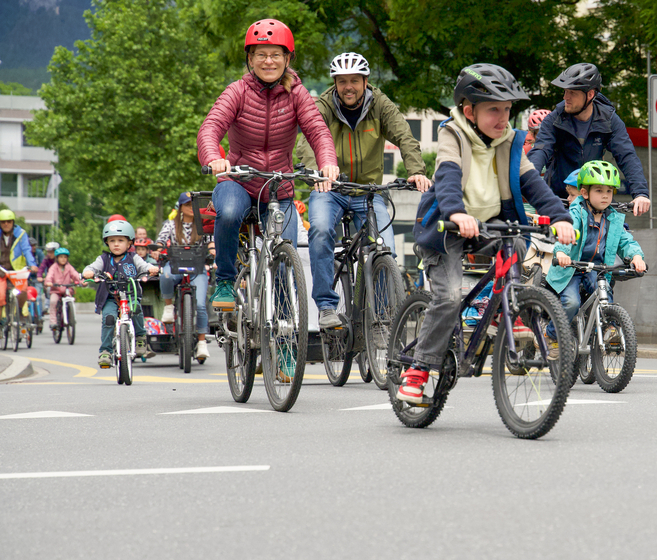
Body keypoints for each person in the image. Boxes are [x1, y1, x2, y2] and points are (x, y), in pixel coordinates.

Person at [398, 63, 575, 404]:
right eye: (494, 109)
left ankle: (505, 308)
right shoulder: (454, 134)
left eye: (507, 110)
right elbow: (448, 177)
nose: (503, 118)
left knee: (522, 249)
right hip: (447, 226)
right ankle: (418, 370)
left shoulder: (509, 142)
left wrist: (560, 217)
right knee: (449, 296)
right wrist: (458, 213)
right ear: (469, 111)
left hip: (489, 224)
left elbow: (533, 185)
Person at [197, 18, 339, 317]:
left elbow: (318, 131)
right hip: (238, 182)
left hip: (278, 187)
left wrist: (327, 163)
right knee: (231, 213)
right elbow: (210, 128)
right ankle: (224, 282)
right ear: (250, 59)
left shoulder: (297, 94)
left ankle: (285, 331)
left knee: (285, 254)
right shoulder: (237, 91)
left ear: (288, 58)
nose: (268, 61)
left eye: (276, 54)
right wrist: (213, 157)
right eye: (261, 54)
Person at [295, 52, 432, 329]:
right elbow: (306, 142)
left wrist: (416, 170)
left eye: (354, 81)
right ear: (334, 83)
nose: (348, 87)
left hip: (368, 191)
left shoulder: (380, 104)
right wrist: (319, 172)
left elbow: (405, 135)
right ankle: (326, 306)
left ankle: (380, 317)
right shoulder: (322, 106)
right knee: (320, 230)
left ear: (365, 81)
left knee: (385, 249)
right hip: (329, 188)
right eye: (342, 81)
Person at [543, 161, 646, 357]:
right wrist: (562, 253)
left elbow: (626, 241)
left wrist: (636, 256)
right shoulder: (576, 212)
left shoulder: (614, 218)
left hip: (596, 269)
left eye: (609, 190)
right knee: (571, 302)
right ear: (585, 193)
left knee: (604, 292)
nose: (606, 195)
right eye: (599, 190)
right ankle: (552, 335)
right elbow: (568, 231)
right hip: (571, 269)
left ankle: (608, 329)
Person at [526, 63, 651, 216]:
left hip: (595, 201)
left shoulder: (609, 120)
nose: (565, 97)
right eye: (565, 91)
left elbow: (627, 156)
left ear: (590, 94)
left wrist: (640, 194)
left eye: (572, 92)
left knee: (617, 235)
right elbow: (540, 151)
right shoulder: (554, 119)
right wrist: (527, 183)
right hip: (560, 200)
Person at [82, 220, 160, 368]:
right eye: (112, 241)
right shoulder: (103, 259)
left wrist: (151, 268)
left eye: (120, 240)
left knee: (135, 308)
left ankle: (140, 337)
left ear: (129, 243)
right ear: (107, 243)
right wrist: (88, 272)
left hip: (130, 294)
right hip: (110, 296)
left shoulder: (133, 258)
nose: (116, 244)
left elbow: (144, 265)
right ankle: (106, 351)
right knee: (109, 318)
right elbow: (92, 267)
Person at [156, 192, 214, 360]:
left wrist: (213, 249)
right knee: (165, 276)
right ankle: (168, 307)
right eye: (187, 205)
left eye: (193, 204)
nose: (191, 208)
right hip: (175, 264)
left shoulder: (203, 224)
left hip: (197, 267)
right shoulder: (171, 225)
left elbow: (210, 240)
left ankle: (202, 343)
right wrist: (157, 250)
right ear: (181, 207)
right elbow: (160, 241)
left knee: (201, 305)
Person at [0, 209, 39, 316]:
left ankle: (20, 314)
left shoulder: (21, 234)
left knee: (22, 291)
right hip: (1, 272)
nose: (6, 224)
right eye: (3, 222)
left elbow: (27, 250)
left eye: (9, 221)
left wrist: (32, 265)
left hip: (17, 272)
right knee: (0, 296)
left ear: (13, 222)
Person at [44, 247, 81, 329]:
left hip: (67, 290)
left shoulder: (69, 267)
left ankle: (70, 316)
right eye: (61, 257)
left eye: (65, 257)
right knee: (53, 301)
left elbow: (75, 275)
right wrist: (49, 282)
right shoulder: (53, 267)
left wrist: (82, 281)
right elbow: (49, 276)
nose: (63, 259)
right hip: (56, 290)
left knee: (70, 300)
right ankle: (53, 321)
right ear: (57, 258)